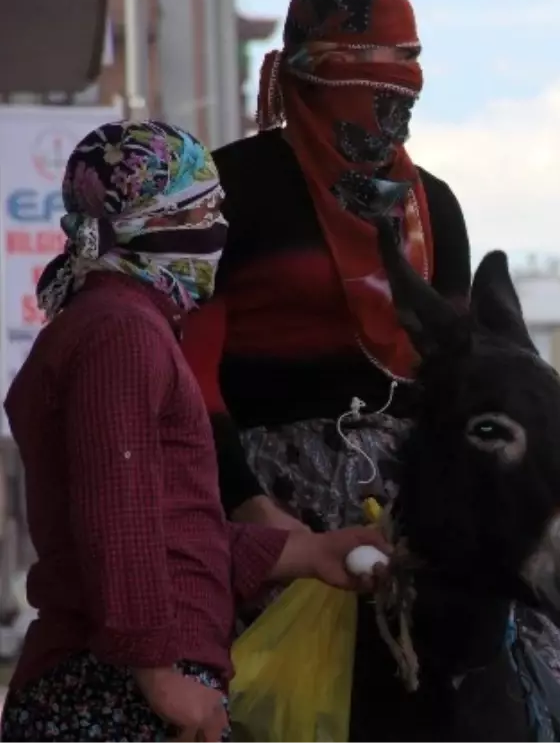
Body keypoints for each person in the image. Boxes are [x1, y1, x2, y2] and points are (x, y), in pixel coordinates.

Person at [179, 0, 560, 734]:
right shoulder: (229, 187)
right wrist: (254, 507)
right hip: (271, 486)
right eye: (367, 88)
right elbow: (193, 374)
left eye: (403, 93)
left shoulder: (433, 203)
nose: (388, 114)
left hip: (414, 486)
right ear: (304, 76)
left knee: (527, 674)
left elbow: (463, 375)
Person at [0, 121, 388, 743]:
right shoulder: (120, 332)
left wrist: (315, 553)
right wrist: (158, 674)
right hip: (116, 694)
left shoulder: (124, 325)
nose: (220, 232)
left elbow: (169, 531)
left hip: (127, 683)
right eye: (205, 210)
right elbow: (118, 517)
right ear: (157, 220)